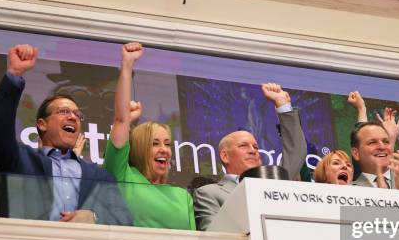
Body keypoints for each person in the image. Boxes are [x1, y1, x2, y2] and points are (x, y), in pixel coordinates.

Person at [0, 44, 132, 225]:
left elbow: (124, 220)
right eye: (63, 112)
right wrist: (14, 75)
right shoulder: (22, 161)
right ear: (42, 124)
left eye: (78, 115)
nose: (73, 117)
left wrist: (94, 217)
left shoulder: (99, 176)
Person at [103, 42, 195, 230]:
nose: (164, 150)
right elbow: (120, 120)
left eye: (168, 144)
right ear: (140, 147)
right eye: (155, 143)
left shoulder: (182, 196)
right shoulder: (123, 176)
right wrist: (127, 65)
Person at [193, 83, 307, 230]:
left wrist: (282, 104)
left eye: (255, 147)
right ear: (225, 156)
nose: (253, 151)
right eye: (243, 146)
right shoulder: (208, 193)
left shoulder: (272, 184)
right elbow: (213, 236)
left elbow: (296, 152)